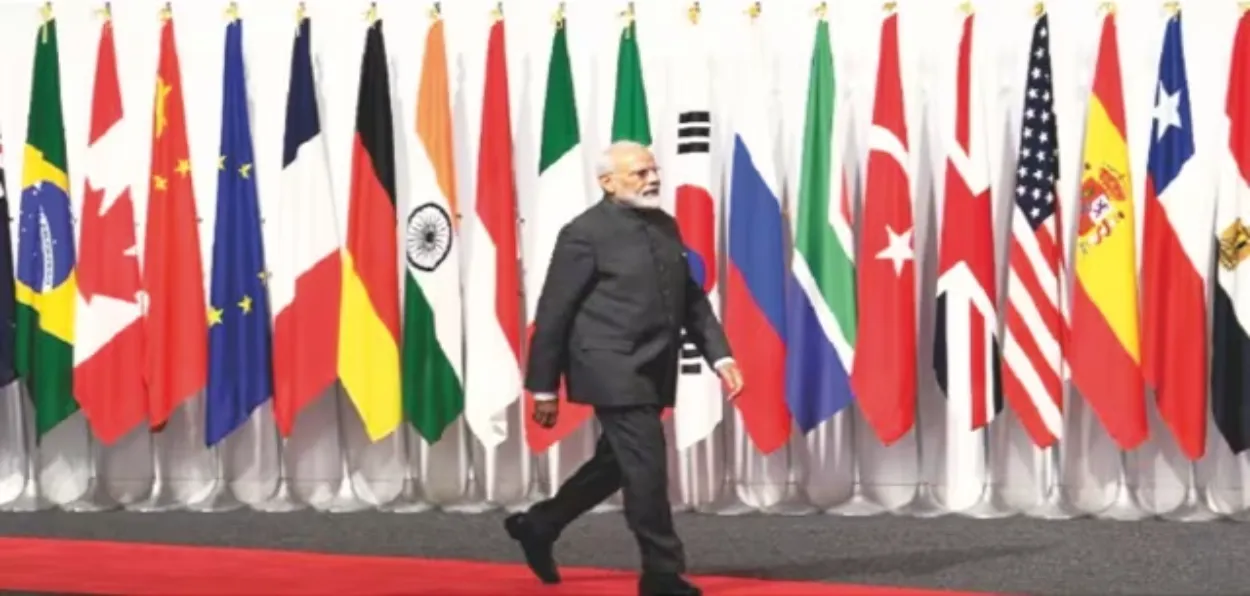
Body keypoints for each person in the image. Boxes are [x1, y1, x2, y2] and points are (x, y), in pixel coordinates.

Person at [504, 141, 743, 596]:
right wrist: (543, 386)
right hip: (609, 366)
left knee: (618, 464)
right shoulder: (583, 232)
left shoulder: (665, 224)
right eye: (638, 173)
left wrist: (722, 356)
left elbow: (690, 299)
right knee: (647, 467)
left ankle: (540, 525)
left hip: (654, 366)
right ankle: (661, 573)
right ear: (607, 182)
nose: (652, 179)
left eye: (653, 170)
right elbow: (554, 311)